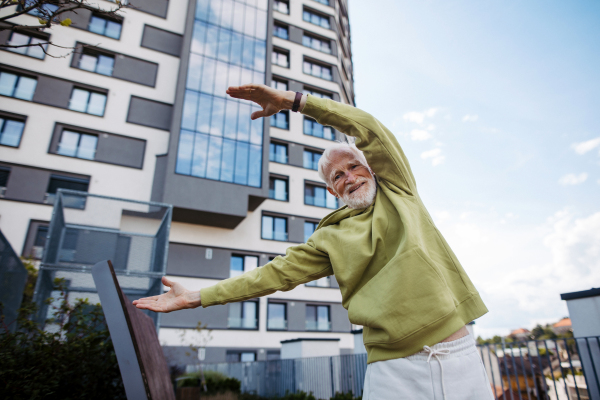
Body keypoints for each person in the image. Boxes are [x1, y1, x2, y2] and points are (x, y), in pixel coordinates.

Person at [134, 84, 494, 400]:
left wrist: (295, 102)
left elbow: (368, 126)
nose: (349, 177)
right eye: (338, 176)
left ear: (371, 169)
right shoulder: (329, 238)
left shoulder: (399, 192)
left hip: (456, 355)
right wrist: (197, 297)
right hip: (393, 369)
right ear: (332, 190)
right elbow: (271, 276)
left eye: (354, 167)